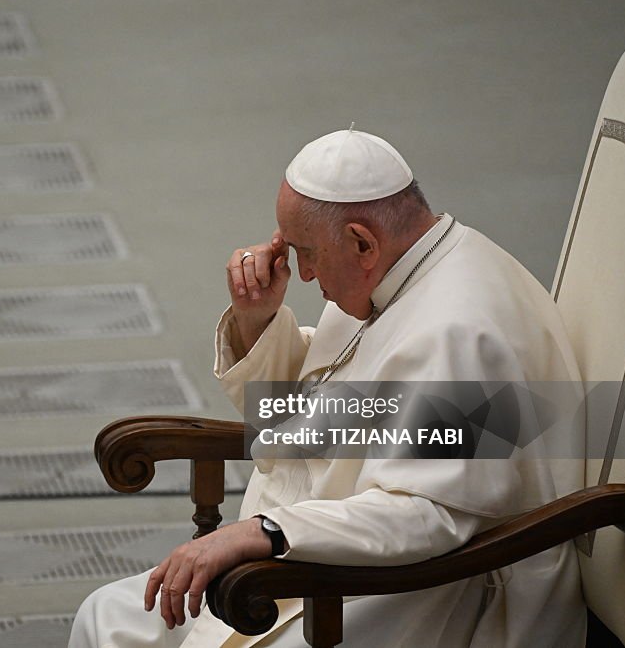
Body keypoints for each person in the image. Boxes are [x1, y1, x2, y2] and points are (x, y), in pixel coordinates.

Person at [70, 128, 585, 647]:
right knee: (107, 616)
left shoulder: (464, 330)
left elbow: (428, 515)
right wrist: (257, 321)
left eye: (305, 252)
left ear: (363, 242)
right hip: (325, 561)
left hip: (417, 591)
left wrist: (265, 534)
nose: (304, 273)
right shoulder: (398, 273)